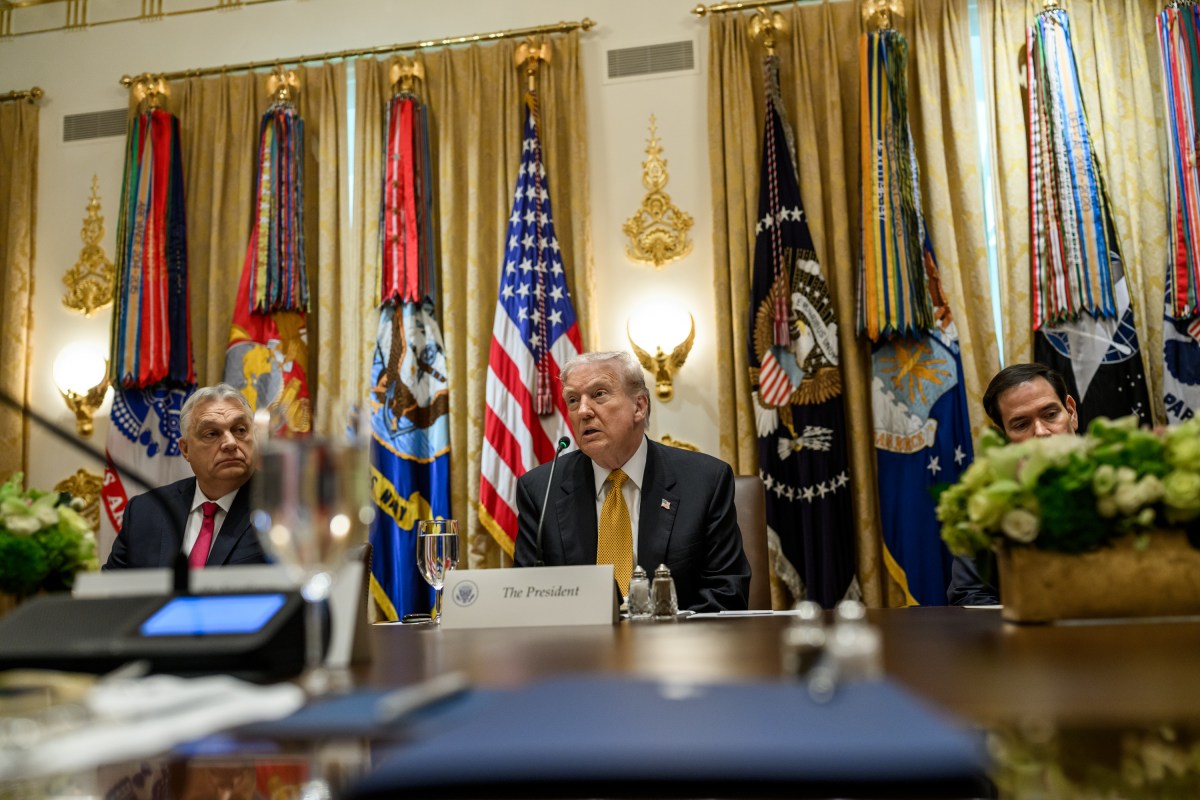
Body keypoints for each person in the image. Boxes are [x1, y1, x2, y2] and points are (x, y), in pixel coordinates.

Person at [513, 351, 750, 612]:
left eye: (599, 394)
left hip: (676, 636)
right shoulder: (541, 490)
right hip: (580, 638)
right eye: (572, 399)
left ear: (639, 406)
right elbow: (527, 599)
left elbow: (727, 592)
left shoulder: (704, 482)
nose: (583, 411)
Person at [947, 363, 1079, 605]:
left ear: (1071, 411)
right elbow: (971, 595)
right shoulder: (988, 506)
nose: (1041, 432)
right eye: (1021, 425)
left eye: (1050, 414)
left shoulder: (1127, 481)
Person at [104, 384, 266, 570]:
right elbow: (112, 585)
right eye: (212, 434)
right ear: (185, 449)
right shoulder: (145, 511)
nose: (230, 443)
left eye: (240, 430)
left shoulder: (282, 505)